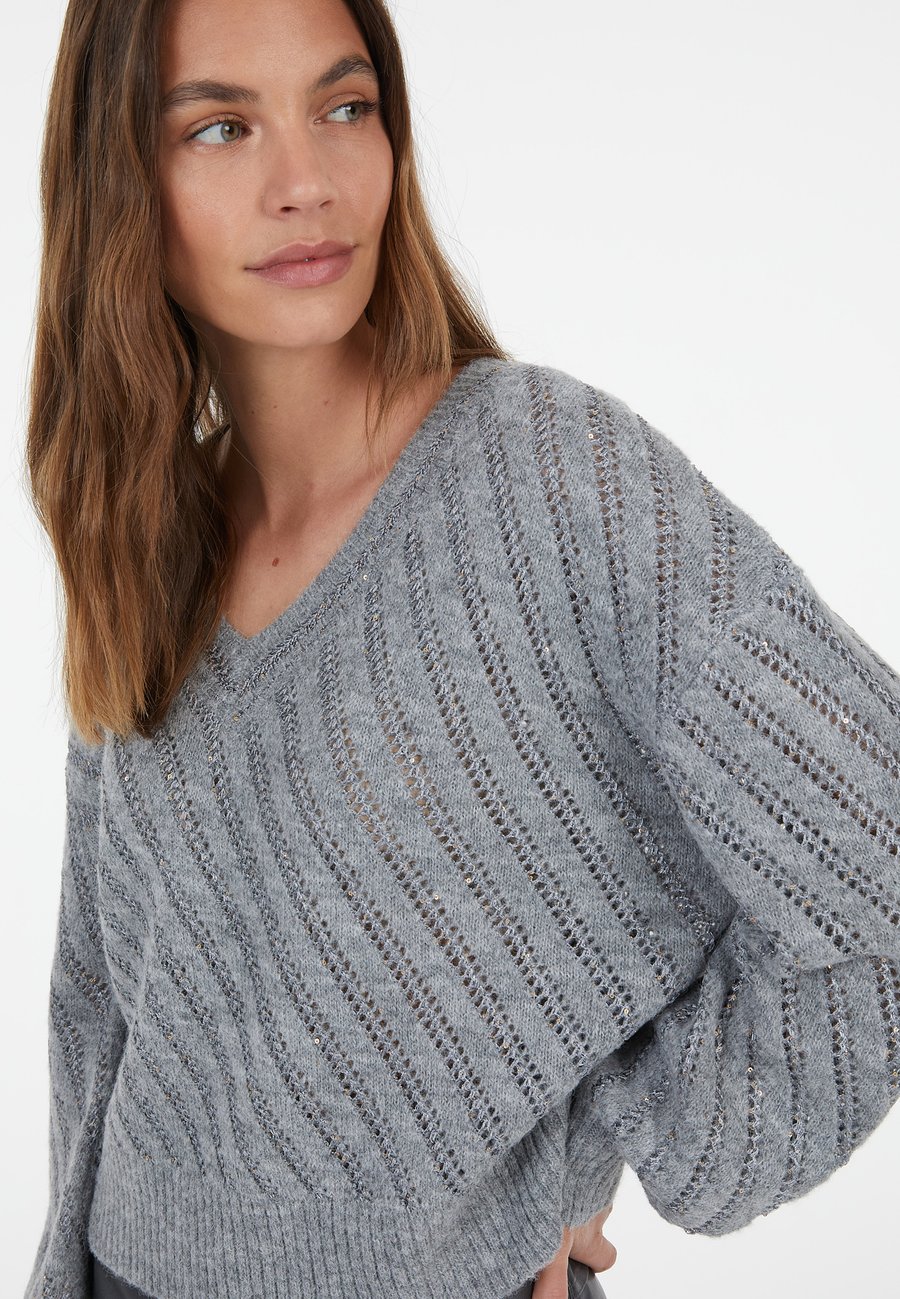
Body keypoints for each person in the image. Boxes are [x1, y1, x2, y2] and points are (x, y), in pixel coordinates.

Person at [21, 1, 899, 1298]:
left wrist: (637, 1141)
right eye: (220, 127)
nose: (307, 182)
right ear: (117, 182)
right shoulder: (150, 531)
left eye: (345, 106)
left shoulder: (545, 475)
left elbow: (876, 841)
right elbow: (101, 997)